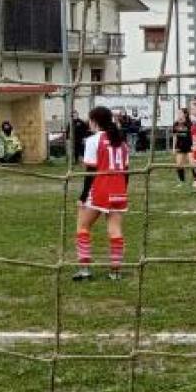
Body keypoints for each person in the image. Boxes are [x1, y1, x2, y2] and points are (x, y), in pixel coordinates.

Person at [72, 106, 131, 281]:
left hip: (100, 189)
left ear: (95, 121)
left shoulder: (93, 140)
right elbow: (126, 172)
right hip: (119, 191)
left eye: (90, 119)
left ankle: (84, 270)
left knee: (82, 227)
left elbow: (90, 171)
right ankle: (115, 271)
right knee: (115, 231)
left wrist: (83, 197)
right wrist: (122, 190)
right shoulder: (122, 142)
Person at [170, 113, 193, 184]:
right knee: (179, 164)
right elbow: (175, 136)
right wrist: (173, 148)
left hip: (190, 146)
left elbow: (193, 134)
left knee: (193, 164)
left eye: (181, 114)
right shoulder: (175, 124)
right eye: (178, 114)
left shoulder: (189, 124)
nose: (179, 115)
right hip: (180, 147)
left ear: (185, 115)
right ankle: (182, 181)